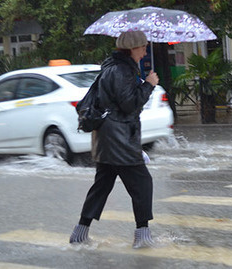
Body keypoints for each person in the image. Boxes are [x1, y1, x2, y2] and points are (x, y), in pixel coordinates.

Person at [70, 30, 159, 249]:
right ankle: (142, 235)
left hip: (108, 138)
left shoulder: (116, 67)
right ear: (132, 48)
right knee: (142, 183)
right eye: (143, 47)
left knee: (101, 186)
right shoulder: (121, 70)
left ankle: (80, 233)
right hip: (118, 139)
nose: (145, 51)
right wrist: (149, 84)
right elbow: (129, 104)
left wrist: (142, 82)